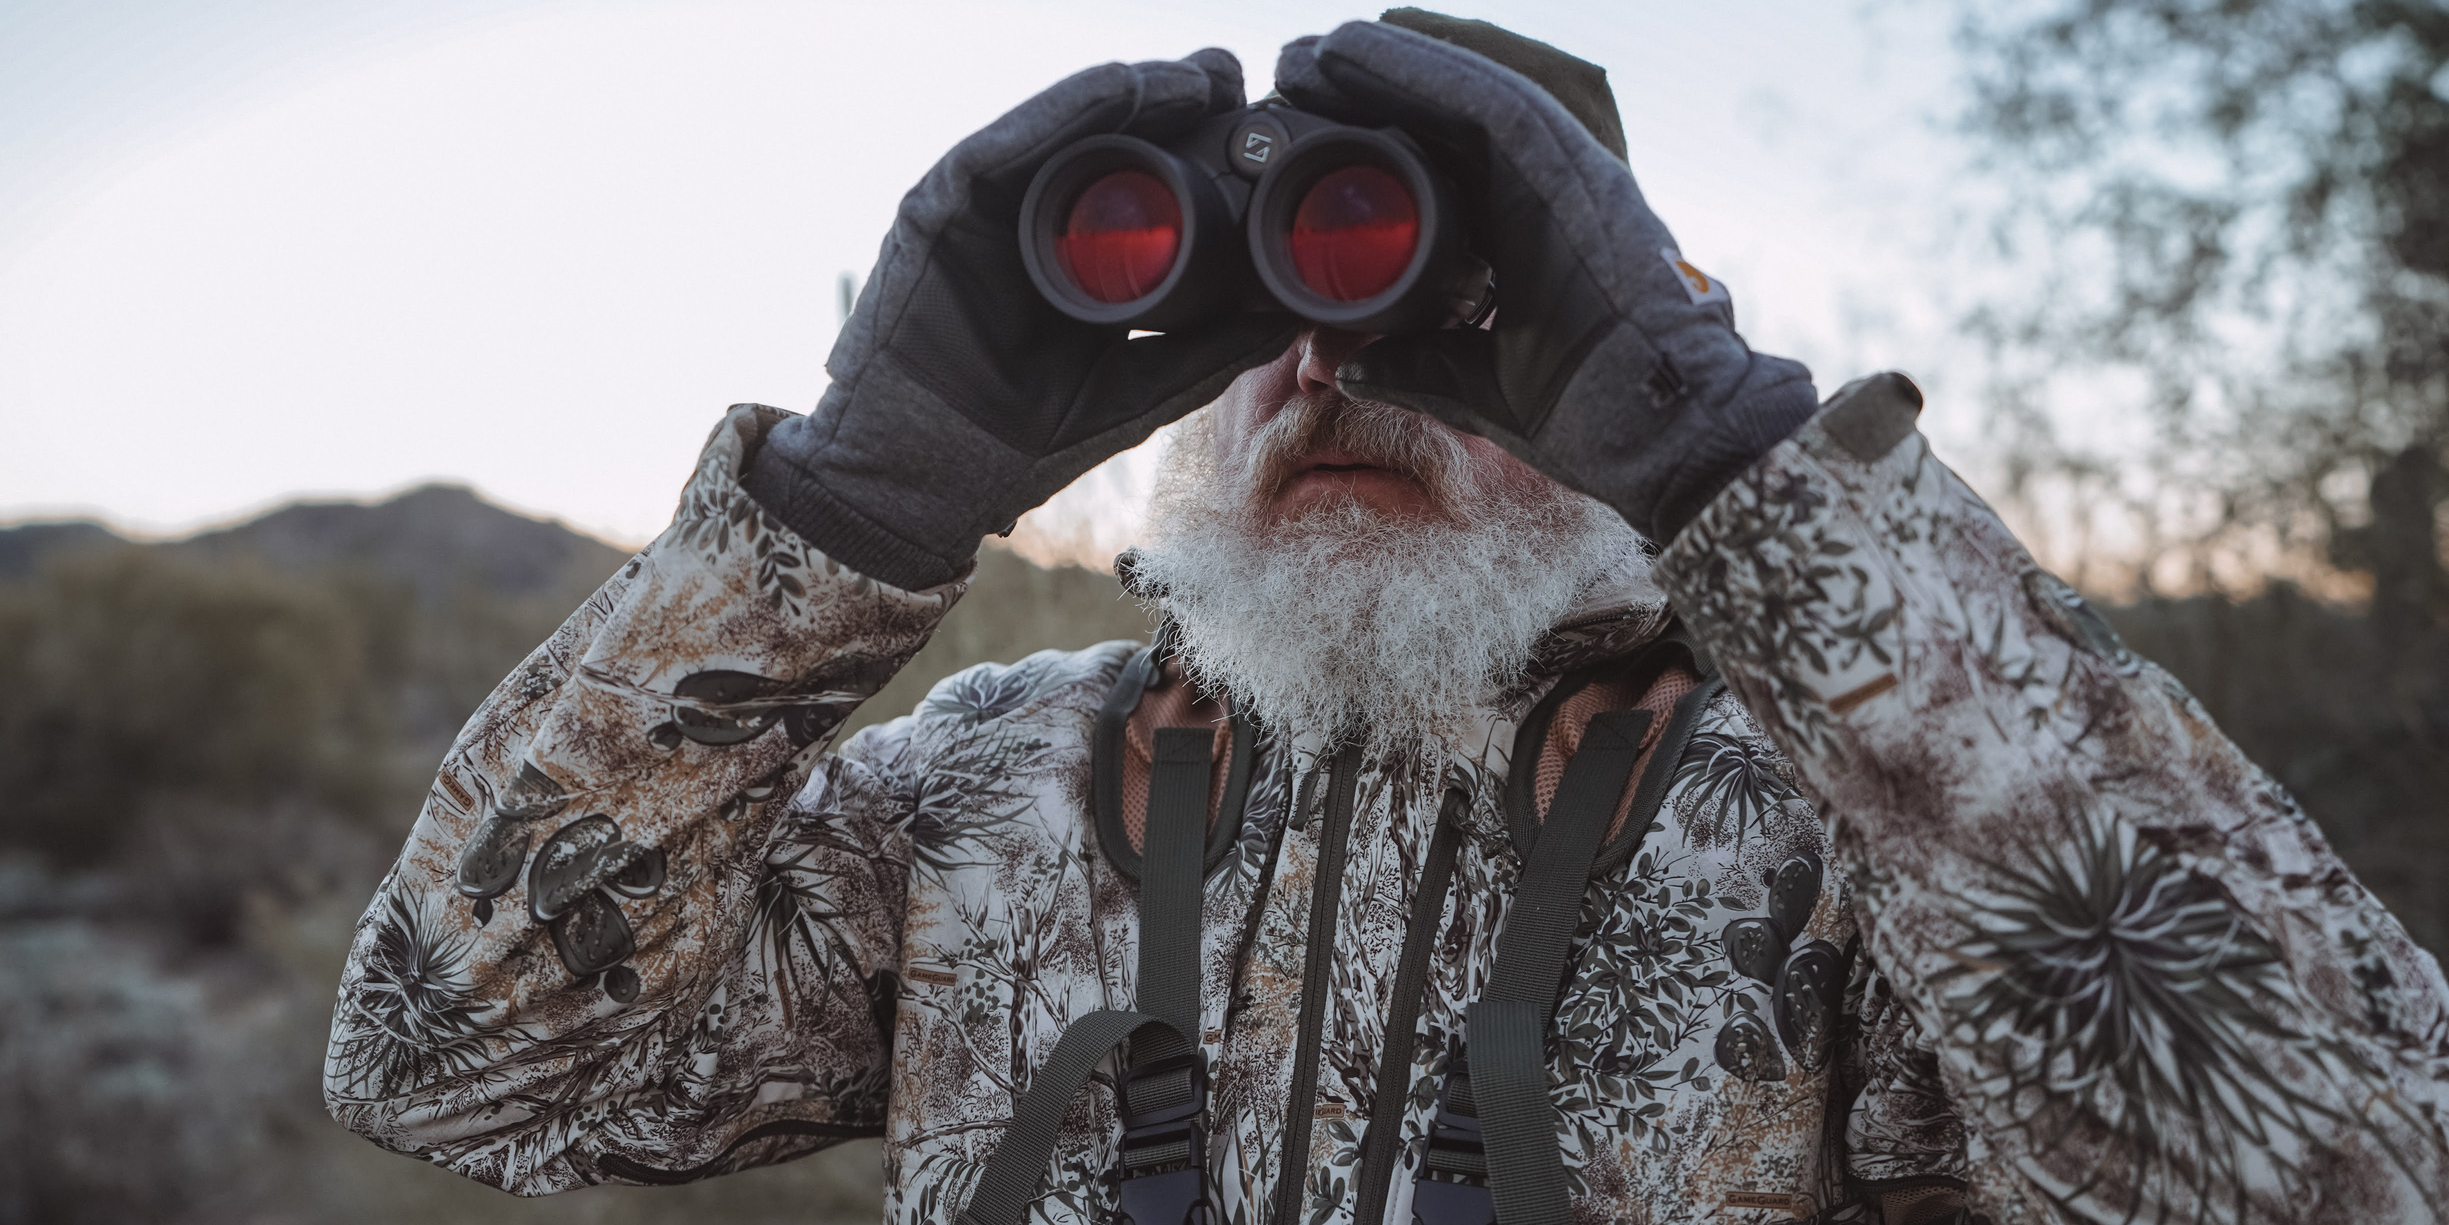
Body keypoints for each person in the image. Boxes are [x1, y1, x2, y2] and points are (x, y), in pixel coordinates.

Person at [322, 12, 2449, 1225]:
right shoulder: (987, 791)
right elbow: (450, 1064)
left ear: (1624, 353)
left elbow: (2350, 1165)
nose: (1325, 374)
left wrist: (1753, 487)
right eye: (1265, 310)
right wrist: (830, 518)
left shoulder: (1847, 825)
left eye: (1441, 309)